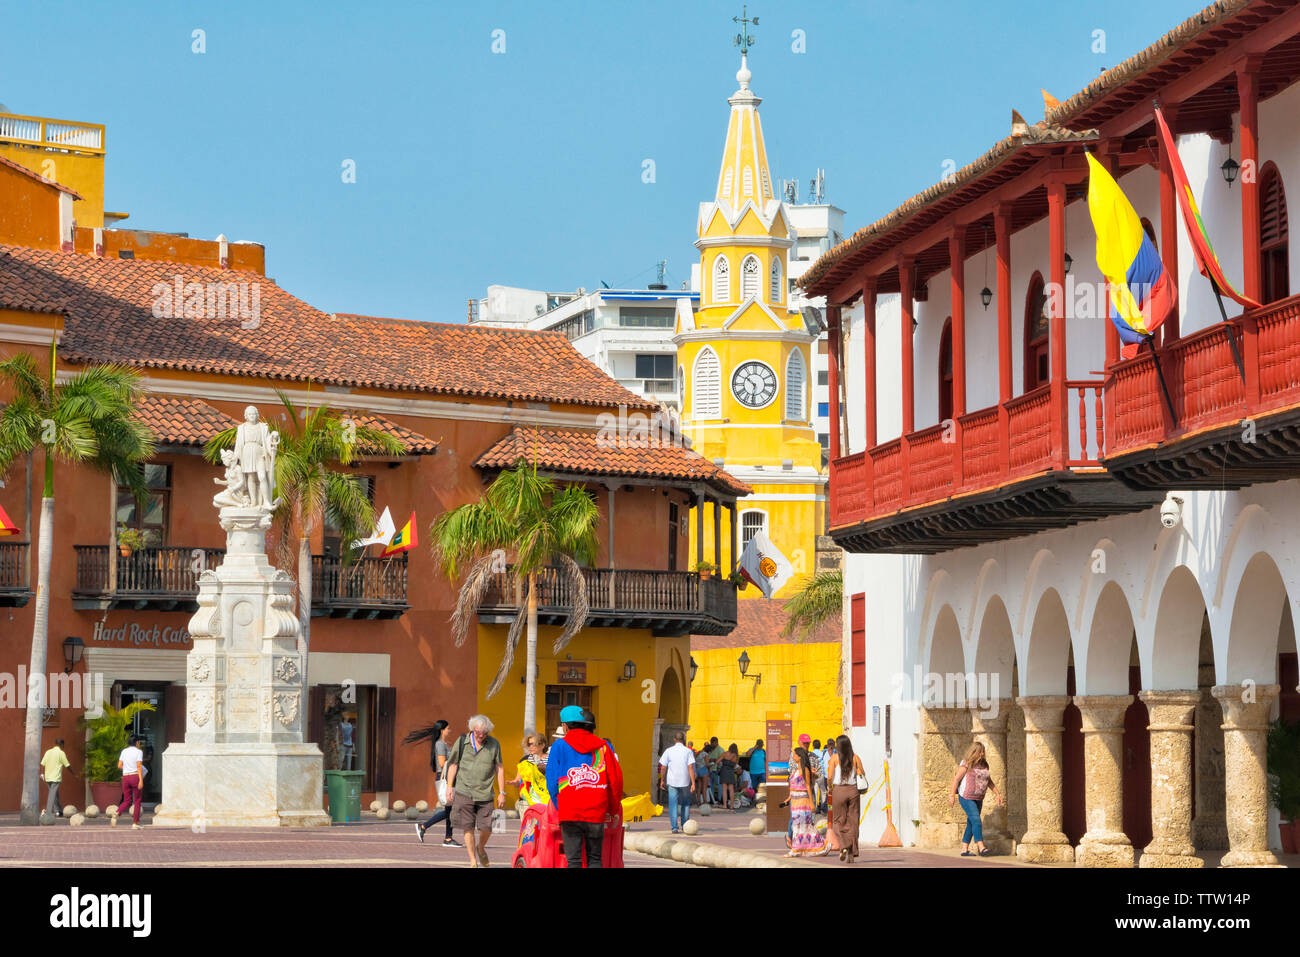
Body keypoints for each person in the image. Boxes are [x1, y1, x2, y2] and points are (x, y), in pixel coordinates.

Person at [546, 706, 624, 868]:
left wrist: (560, 806)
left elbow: (552, 782)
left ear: (565, 726)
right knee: (595, 859)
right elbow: (615, 782)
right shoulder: (604, 747)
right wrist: (612, 809)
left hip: (569, 810)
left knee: (573, 860)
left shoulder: (559, 746)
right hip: (596, 810)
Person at [445, 714, 506, 867]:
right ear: (473, 729)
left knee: (487, 827)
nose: (481, 736)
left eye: (485, 733)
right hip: (464, 791)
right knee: (468, 827)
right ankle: (473, 860)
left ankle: (481, 847)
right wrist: (449, 786)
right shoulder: (462, 742)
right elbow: (453, 765)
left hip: (485, 793)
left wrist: (502, 793)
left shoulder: (493, 744)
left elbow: (499, 768)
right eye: (478, 732)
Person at [405, 719, 461, 847]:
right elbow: (442, 763)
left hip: (448, 778)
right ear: (442, 730)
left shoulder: (443, 744)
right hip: (445, 779)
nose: (449, 731)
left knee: (450, 809)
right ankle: (425, 827)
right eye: (448, 729)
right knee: (450, 810)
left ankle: (447, 838)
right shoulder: (440, 744)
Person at [948, 742, 1004, 857]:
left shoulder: (985, 765)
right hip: (966, 797)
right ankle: (981, 847)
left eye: (983, 751)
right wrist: (952, 796)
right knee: (977, 820)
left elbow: (989, 780)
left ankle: (964, 849)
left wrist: (997, 794)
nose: (982, 754)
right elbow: (956, 780)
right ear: (974, 752)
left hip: (979, 798)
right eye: (979, 751)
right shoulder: (966, 764)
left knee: (971, 822)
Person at [826, 735, 866, 863]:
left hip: (839, 791)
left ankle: (843, 846)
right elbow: (862, 773)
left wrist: (830, 788)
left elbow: (829, 776)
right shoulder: (855, 758)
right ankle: (852, 850)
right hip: (853, 790)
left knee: (838, 820)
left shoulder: (834, 758)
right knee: (853, 821)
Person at [783, 746, 825, 857]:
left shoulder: (805, 770)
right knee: (798, 826)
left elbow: (807, 786)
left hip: (803, 801)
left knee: (804, 826)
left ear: (799, 757)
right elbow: (794, 786)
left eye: (794, 754)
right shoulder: (797, 769)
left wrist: (811, 802)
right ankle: (800, 848)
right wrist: (789, 798)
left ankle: (816, 846)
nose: (793, 756)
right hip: (795, 802)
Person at [658, 731, 696, 833]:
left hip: (672, 781)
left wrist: (662, 780)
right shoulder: (688, 751)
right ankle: (685, 825)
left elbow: (663, 767)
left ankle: (674, 827)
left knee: (673, 804)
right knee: (686, 804)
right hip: (685, 781)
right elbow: (691, 767)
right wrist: (693, 783)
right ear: (683, 739)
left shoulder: (668, 751)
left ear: (674, 739)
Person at [508, 732, 551, 807]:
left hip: (547, 797)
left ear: (542, 745)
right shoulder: (525, 760)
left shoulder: (551, 759)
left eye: (533, 744)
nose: (530, 747)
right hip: (529, 800)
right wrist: (515, 782)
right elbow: (518, 779)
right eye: (529, 744)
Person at [114, 736, 146, 829]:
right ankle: (135, 823)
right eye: (139, 742)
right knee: (137, 801)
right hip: (135, 776)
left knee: (127, 800)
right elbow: (139, 766)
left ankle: (118, 812)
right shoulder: (139, 752)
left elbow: (119, 765)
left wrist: (127, 768)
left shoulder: (124, 751)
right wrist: (141, 780)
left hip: (125, 777)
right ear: (136, 743)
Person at [40, 739, 71, 817]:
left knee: (55, 794)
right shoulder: (61, 753)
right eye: (63, 745)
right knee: (52, 795)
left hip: (47, 777)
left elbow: (42, 764)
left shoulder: (48, 752)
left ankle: (59, 811)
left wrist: (41, 774)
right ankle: (48, 812)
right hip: (56, 777)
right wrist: (74, 774)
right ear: (62, 745)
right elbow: (67, 765)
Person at [718, 744, 740, 810]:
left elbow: (717, 761)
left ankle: (725, 805)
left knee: (724, 789)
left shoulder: (725, 754)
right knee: (731, 789)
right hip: (731, 772)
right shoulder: (736, 756)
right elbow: (735, 766)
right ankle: (731, 806)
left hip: (724, 771)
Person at [706, 737, 724, 805]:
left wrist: (714, 760)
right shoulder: (710, 749)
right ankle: (712, 799)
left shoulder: (720, 750)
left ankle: (719, 799)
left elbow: (722, 759)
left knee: (719, 785)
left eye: (712, 743)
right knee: (711, 786)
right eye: (711, 742)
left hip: (717, 770)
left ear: (716, 742)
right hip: (710, 770)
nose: (711, 744)